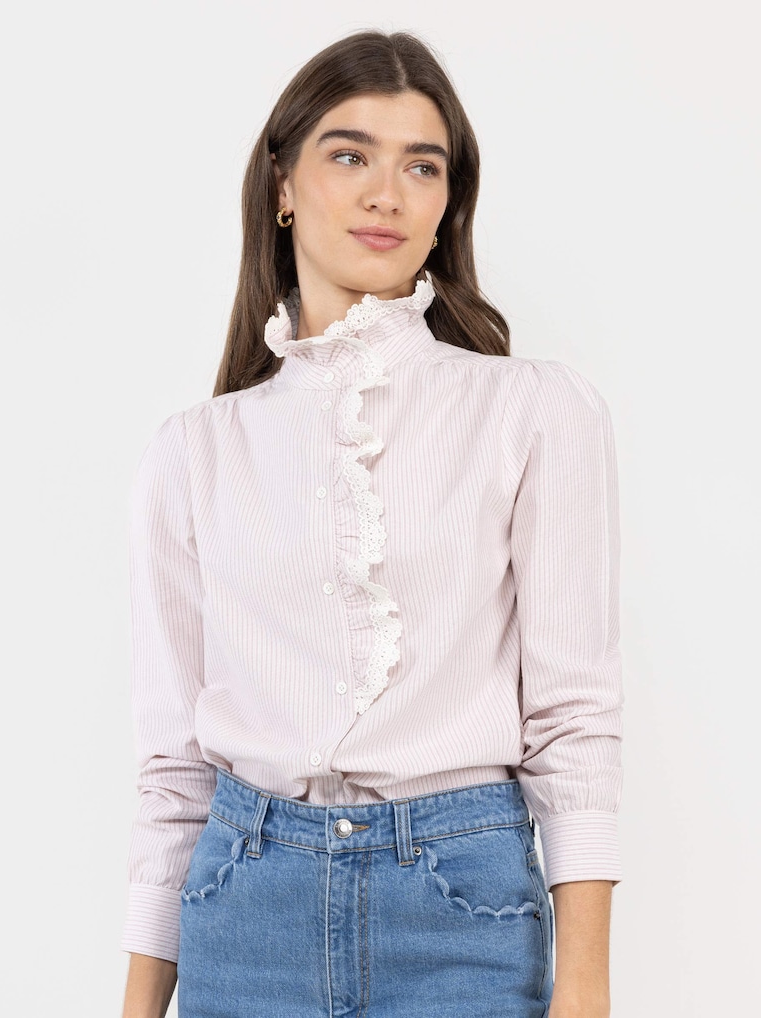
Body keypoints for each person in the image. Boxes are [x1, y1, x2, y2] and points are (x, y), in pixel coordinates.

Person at [119, 28, 624, 1018]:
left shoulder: (534, 411)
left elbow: (575, 718)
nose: (387, 193)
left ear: (447, 204)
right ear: (283, 185)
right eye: (350, 155)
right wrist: (137, 1006)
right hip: (242, 911)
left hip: (463, 907)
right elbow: (173, 770)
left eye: (421, 166)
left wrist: (586, 989)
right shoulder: (193, 451)